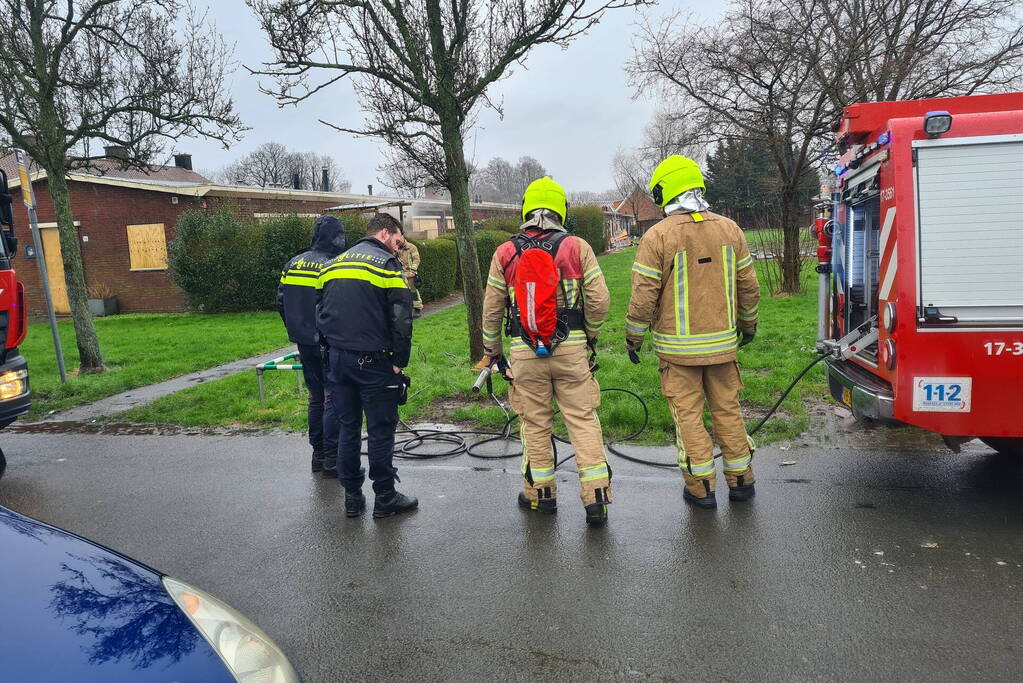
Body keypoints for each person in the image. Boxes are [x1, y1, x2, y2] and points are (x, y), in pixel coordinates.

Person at [625, 155, 761, 510]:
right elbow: (749, 287)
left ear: (665, 191)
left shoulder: (657, 236)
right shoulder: (731, 230)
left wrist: (633, 338)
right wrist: (748, 327)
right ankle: (742, 481)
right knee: (728, 411)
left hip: (677, 352)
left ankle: (701, 488)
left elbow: (643, 296)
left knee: (688, 417)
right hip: (723, 348)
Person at [480, 176, 612, 525]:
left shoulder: (505, 253)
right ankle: (596, 499)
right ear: (560, 210)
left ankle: (541, 498)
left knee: (535, 424)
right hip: (571, 349)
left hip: (524, 351)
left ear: (526, 210)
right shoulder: (577, 247)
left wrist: (492, 350)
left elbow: (492, 308)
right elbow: (599, 300)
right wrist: (590, 335)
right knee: (582, 420)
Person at [316, 213, 418, 519]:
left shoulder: (333, 265)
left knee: (348, 427)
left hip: (338, 360)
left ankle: (352, 498)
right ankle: (385, 497)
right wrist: (400, 361)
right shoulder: (386, 265)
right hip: (375, 363)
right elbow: (401, 318)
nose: (400, 247)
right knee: (380, 429)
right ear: (385, 233)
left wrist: (329, 353)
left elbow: (319, 313)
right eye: (398, 240)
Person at [277, 214, 346, 476]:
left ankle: (317, 454)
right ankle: (331, 458)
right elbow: (338, 308)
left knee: (315, 397)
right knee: (332, 398)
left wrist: (296, 330)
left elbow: (281, 303)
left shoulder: (292, 264)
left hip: (304, 342)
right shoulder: (333, 264)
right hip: (329, 343)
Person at [398, 240, 424, 318]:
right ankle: (405, 310)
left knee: (413, 292)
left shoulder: (412, 247)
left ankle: (417, 308)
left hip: (410, 274)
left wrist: (413, 270)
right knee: (401, 292)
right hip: (400, 274)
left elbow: (416, 259)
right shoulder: (396, 248)